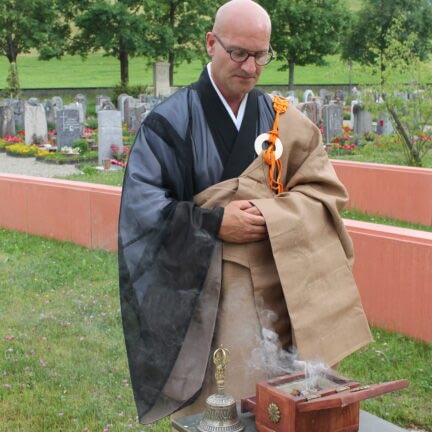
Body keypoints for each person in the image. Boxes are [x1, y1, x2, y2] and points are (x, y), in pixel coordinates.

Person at [118, 0, 372, 425]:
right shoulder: (169, 123)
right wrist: (215, 222)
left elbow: (324, 192)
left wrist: (273, 215)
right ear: (211, 43)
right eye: (239, 53)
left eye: (261, 55)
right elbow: (143, 213)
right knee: (222, 404)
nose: (251, 67)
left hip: (281, 289)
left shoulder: (282, 121)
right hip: (209, 292)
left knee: (282, 404)